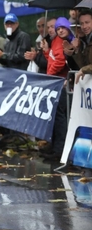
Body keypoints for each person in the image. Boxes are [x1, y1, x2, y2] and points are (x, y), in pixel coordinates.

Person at [0, 13, 31, 145]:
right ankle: (6, 135)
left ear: (17, 24)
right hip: (10, 79)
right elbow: (9, 61)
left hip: (21, 79)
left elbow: (21, 57)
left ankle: (16, 137)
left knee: (17, 110)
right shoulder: (6, 40)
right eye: (7, 24)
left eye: (12, 23)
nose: (9, 26)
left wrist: (2, 55)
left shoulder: (24, 37)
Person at [40, 17, 74, 161]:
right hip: (56, 83)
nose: (52, 30)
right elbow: (52, 59)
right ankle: (55, 146)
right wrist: (47, 51)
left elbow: (60, 62)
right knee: (55, 116)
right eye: (51, 27)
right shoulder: (54, 41)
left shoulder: (61, 42)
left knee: (60, 117)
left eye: (55, 27)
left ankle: (59, 150)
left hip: (60, 83)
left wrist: (49, 75)